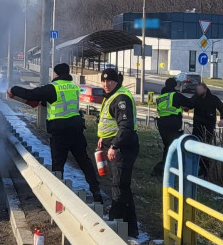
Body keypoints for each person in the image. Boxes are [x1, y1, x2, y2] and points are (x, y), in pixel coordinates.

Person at [8, 63, 103, 203]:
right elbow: (63, 103)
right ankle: (97, 194)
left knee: (58, 167)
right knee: (85, 163)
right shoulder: (74, 87)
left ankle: (58, 200)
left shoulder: (53, 87)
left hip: (60, 133)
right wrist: (45, 103)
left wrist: (13, 89)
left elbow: (31, 94)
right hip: (76, 131)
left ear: (56, 74)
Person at [97, 68, 139, 238]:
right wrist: (103, 138)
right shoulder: (112, 96)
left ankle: (116, 224)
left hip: (123, 147)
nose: (106, 84)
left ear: (116, 81)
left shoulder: (120, 98)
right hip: (118, 145)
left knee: (119, 186)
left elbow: (125, 126)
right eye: (104, 81)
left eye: (110, 81)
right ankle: (131, 229)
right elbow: (110, 123)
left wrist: (114, 145)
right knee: (123, 186)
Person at [185, 83, 223, 177]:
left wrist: (222, 119)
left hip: (208, 128)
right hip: (197, 127)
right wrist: (186, 108)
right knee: (195, 148)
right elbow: (189, 104)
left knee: (205, 148)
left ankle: (205, 169)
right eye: (197, 90)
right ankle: (200, 167)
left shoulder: (213, 99)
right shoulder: (196, 97)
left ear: (205, 89)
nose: (198, 91)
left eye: (200, 90)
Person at [152, 78, 192, 176]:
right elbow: (190, 103)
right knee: (175, 147)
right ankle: (162, 169)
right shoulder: (175, 95)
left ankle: (165, 170)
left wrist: (180, 107)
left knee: (168, 147)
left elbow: (170, 107)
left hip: (162, 124)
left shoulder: (161, 97)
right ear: (175, 85)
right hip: (173, 123)